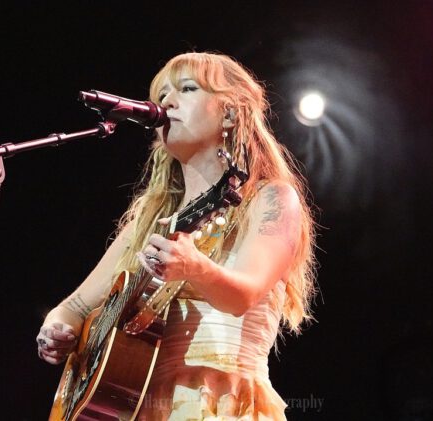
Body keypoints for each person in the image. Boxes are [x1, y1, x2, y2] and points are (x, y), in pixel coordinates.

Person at [37, 51, 316, 420]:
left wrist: (195, 268)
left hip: (221, 403)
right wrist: (56, 329)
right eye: (161, 94)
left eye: (187, 89)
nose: (167, 101)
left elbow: (244, 295)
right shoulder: (149, 220)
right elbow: (74, 308)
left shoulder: (271, 199)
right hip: (141, 409)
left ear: (231, 114)